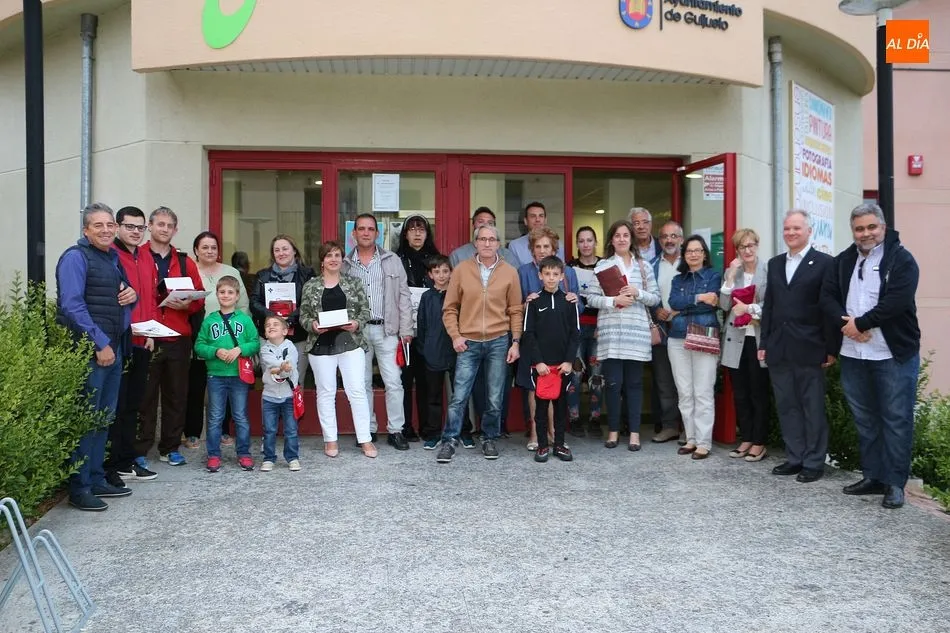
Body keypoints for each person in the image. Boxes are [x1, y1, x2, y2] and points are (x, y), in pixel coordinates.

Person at [822, 203, 920, 509]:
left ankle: (894, 484)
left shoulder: (902, 260)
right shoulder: (843, 261)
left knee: (896, 419)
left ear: (883, 227)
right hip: (853, 353)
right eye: (859, 229)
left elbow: (897, 302)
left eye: (871, 227)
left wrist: (861, 324)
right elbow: (826, 297)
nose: (865, 234)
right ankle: (873, 476)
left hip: (891, 354)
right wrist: (847, 326)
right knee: (865, 419)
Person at [56, 202, 137, 511]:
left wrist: (133, 294)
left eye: (109, 225)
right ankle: (80, 487)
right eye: (98, 226)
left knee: (103, 419)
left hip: (113, 348)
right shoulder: (76, 258)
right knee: (88, 419)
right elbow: (72, 306)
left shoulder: (111, 258)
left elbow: (119, 293)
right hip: (93, 351)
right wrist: (99, 343)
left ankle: (96, 476)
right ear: (86, 230)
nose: (105, 230)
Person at [759, 210, 838, 483]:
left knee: (812, 406)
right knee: (787, 405)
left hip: (810, 346)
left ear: (808, 231)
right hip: (779, 347)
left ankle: (814, 462)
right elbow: (769, 306)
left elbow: (828, 309)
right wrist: (764, 342)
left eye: (796, 228)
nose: (791, 233)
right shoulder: (776, 263)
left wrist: (830, 347)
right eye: (787, 229)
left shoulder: (825, 263)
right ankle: (795, 457)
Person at [436, 224, 523, 463]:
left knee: (494, 396)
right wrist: (455, 335)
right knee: (459, 396)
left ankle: (489, 438)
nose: (487, 243)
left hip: (498, 341)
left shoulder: (509, 272)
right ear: (475, 243)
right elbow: (449, 308)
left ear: (498, 244)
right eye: (482, 239)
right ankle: (450, 440)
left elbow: (516, 310)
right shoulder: (462, 270)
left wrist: (515, 342)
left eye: (492, 239)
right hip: (468, 342)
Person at [137, 207, 205, 467]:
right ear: (150, 227)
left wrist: (186, 304)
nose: (164, 229)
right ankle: (140, 451)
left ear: (175, 230)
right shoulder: (137, 256)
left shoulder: (185, 260)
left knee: (177, 396)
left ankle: (170, 448)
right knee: (145, 397)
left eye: (170, 226)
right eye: (160, 224)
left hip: (178, 336)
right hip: (147, 336)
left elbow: (198, 299)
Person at [584, 219, 659, 450]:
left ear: (631, 239)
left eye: (626, 235)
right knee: (613, 385)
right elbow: (591, 299)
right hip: (611, 335)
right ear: (611, 240)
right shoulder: (603, 266)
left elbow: (655, 298)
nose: (622, 239)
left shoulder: (644, 267)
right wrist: (613, 300)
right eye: (617, 235)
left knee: (635, 384)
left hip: (636, 335)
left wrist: (638, 293)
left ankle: (635, 434)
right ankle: (614, 432)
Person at [300, 241, 377, 458]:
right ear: (322, 260)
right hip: (321, 344)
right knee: (326, 393)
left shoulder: (354, 283)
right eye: (329, 255)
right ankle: (330, 439)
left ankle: (365, 439)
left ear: (342, 259)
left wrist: (356, 324)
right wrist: (312, 325)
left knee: (357, 391)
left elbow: (365, 311)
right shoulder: (311, 285)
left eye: (337, 255)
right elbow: (304, 315)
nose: (333, 259)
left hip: (350, 342)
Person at [344, 214, 413, 450]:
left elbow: (404, 296)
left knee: (394, 382)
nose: (365, 233)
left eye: (370, 229)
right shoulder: (345, 263)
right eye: (361, 229)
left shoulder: (392, 260)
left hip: (387, 330)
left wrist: (406, 330)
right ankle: (368, 430)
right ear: (353, 234)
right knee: (362, 384)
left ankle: (396, 430)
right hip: (357, 333)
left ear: (377, 233)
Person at [516, 227, 581, 451]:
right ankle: (536, 433)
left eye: (547, 246)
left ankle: (556, 435)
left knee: (557, 391)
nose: (542, 250)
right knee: (537, 390)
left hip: (560, 344)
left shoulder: (568, 272)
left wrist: (574, 298)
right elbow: (517, 306)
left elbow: (575, 308)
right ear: (532, 251)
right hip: (536, 346)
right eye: (538, 247)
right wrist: (527, 302)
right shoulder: (523, 271)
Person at [184, 231, 249, 449]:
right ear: (196, 251)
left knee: (227, 384)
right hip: (199, 334)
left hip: (229, 339)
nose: (210, 251)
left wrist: (243, 335)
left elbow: (243, 305)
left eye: (213, 247)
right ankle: (192, 432)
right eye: (205, 247)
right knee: (196, 386)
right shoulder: (189, 271)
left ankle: (223, 431)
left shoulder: (231, 272)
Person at [108, 206, 158, 483]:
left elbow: (149, 297)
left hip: (142, 340)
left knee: (132, 405)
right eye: (130, 227)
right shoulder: (111, 255)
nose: (136, 232)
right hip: (120, 340)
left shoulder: (146, 257)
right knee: (116, 406)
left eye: (140, 228)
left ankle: (127, 462)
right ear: (118, 227)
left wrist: (150, 332)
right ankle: (112, 465)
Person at [193, 276, 260, 472]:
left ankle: (244, 453)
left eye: (230, 292)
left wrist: (240, 349)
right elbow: (199, 346)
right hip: (216, 375)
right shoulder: (210, 320)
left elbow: (255, 342)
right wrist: (215, 351)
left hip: (239, 375)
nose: (226, 295)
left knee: (240, 416)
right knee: (215, 417)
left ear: (237, 296)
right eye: (222, 292)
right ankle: (213, 455)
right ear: (217, 294)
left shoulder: (245, 320)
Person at [667, 235, 722, 460]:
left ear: (704, 254)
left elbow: (711, 305)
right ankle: (690, 438)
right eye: (689, 250)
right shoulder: (677, 279)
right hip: (678, 337)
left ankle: (704, 442)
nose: (693, 254)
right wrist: (700, 297)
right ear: (684, 254)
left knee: (703, 391)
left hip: (704, 334)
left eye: (698, 250)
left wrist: (687, 304)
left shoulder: (713, 275)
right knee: (685, 392)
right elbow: (673, 302)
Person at [720, 229, 770, 462]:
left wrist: (749, 310)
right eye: (742, 247)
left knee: (758, 392)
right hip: (736, 339)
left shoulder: (768, 270)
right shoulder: (735, 272)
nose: (747, 250)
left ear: (757, 246)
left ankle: (759, 442)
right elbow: (723, 304)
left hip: (758, 338)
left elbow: (771, 305)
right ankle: (747, 438)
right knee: (740, 393)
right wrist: (730, 276)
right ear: (737, 250)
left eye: (751, 245)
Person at [416, 255, 473, 450]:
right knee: (433, 396)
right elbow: (421, 325)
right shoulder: (427, 297)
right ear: (430, 275)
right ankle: (433, 433)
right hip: (432, 352)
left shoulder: (458, 295)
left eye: (445, 271)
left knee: (460, 394)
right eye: (437, 272)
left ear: (451, 272)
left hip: (457, 351)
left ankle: (464, 431)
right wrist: (424, 349)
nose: (441, 276)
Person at [396, 214, 440, 442]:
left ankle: (428, 428)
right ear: (405, 234)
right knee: (404, 381)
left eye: (421, 229)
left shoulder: (437, 260)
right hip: (404, 329)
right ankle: (404, 427)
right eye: (412, 229)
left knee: (427, 381)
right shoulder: (396, 260)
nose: (417, 233)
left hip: (430, 329)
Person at [250, 235, 316, 387]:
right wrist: (273, 318)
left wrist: (291, 318)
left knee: (296, 380)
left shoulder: (307, 274)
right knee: (272, 380)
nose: (281, 253)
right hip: (270, 337)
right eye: (277, 250)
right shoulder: (263, 275)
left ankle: (293, 411)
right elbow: (254, 302)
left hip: (298, 336)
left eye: (285, 249)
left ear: (294, 251)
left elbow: (311, 302)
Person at [650, 221, 685, 444]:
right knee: (664, 382)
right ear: (659, 240)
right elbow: (646, 294)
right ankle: (670, 426)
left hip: (686, 329)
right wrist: (656, 310)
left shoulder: (690, 262)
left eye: (674, 236)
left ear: (681, 239)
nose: (669, 240)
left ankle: (688, 428)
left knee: (686, 382)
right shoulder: (651, 265)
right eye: (664, 237)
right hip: (662, 330)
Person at [567, 226, 603, 437]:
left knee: (597, 376)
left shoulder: (605, 266)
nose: (586, 244)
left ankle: (595, 419)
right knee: (576, 373)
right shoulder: (569, 267)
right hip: (577, 327)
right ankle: (575, 419)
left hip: (599, 328)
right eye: (581, 241)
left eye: (589, 240)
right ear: (577, 243)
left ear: (595, 242)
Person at [259, 315, 301, 472]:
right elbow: (270, 364)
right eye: (267, 325)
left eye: (275, 324)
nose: (271, 326)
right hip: (269, 397)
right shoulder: (265, 348)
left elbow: (289, 366)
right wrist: (281, 368)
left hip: (288, 396)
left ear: (285, 331)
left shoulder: (291, 347)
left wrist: (279, 370)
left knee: (291, 429)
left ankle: (292, 457)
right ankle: (269, 458)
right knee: (269, 429)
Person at [449, 206, 518, 268]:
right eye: (481, 221)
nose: (485, 225)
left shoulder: (506, 255)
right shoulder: (458, 255)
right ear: (473, 226)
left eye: (490, 223)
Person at [508, 201, 566, 267]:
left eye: (541, 216)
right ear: (526, 221)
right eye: (533, 216)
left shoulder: (558, 244)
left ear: (545, 220)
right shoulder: (515, 246)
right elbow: (515, 275)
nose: (537, 219)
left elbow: (561, 270)